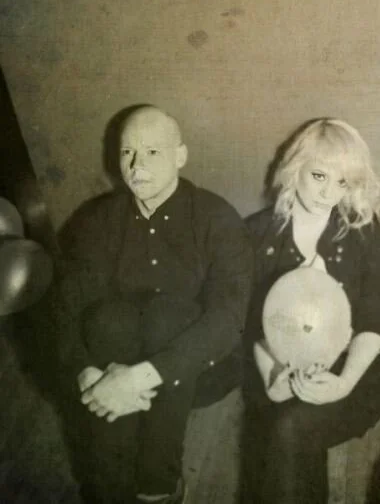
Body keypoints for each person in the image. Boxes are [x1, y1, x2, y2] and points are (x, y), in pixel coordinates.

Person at [53, 105, 253, 503]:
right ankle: (109, 487)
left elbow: (227, 320)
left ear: (180, 156)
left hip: (196, 365)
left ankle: (157, 487)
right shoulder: (98, 220)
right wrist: (87, 374)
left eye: (152, 152)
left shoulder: (217, 218)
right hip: (115, 351)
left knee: (169, 316)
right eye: (128, 152)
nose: (136, 165)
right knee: (108, 321)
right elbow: (66, 306)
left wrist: (141, 377)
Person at [242, 118, 380, 504]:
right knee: (285, 427)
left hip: (355, 369)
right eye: (319, 176)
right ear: (295, 167)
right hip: (277, 364)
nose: (329, 193)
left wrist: (344, 382)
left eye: (342, 182)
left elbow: (374, 321)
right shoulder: (256, 234)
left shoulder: (370, 235)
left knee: (291, 429)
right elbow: (252, 324)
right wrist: (272, 377)